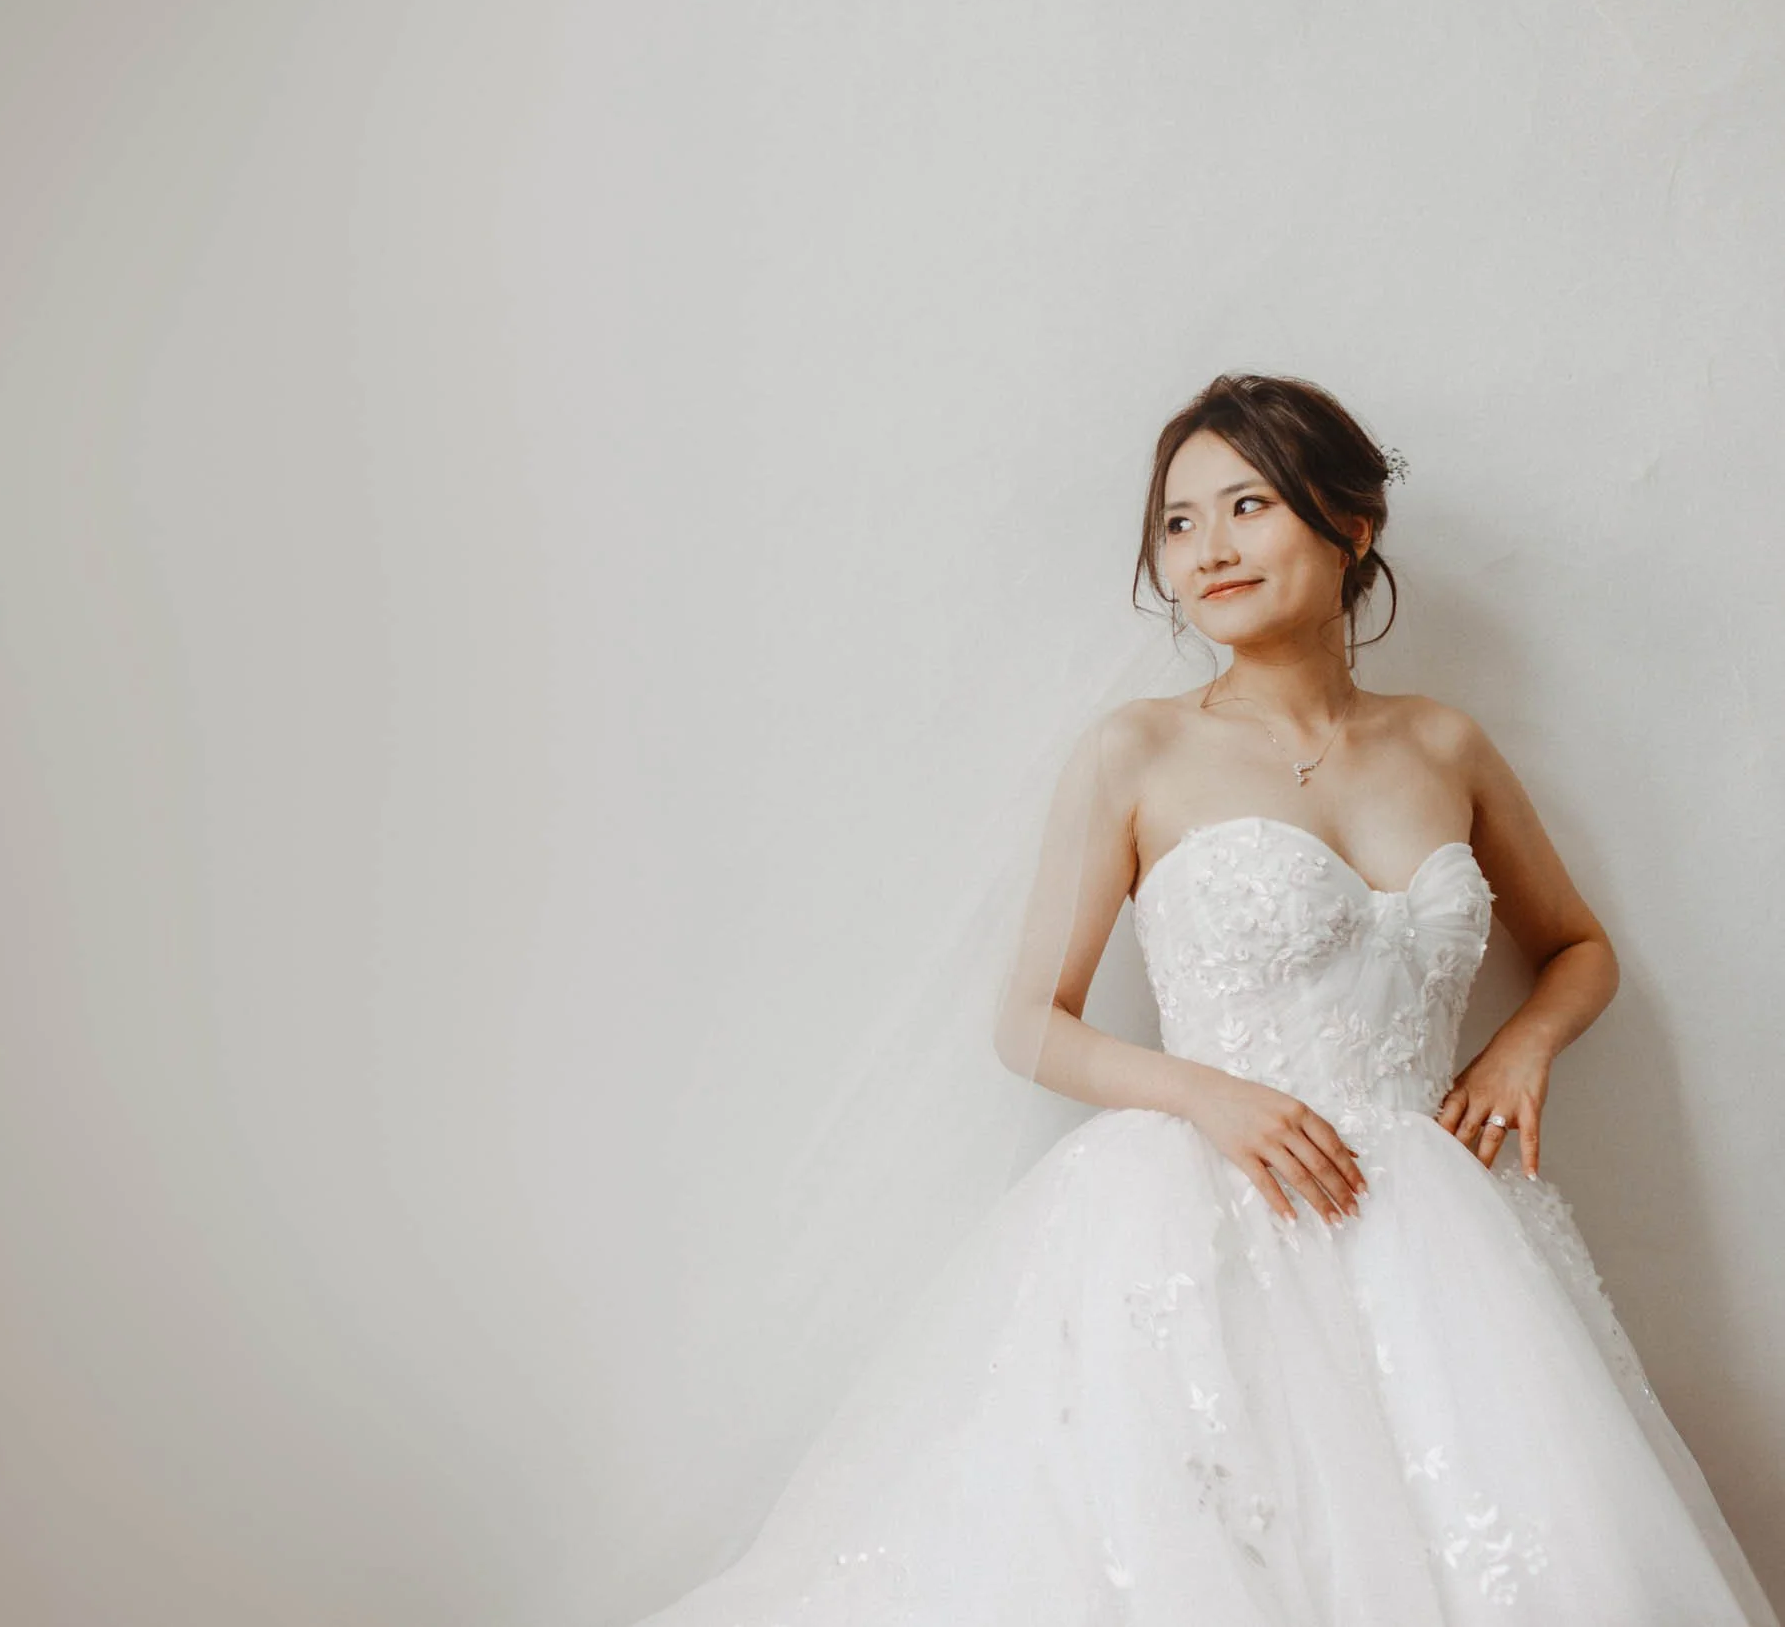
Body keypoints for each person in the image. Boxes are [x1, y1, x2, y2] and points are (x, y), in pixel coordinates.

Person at [622, 374, 1780, 1625]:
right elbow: (1028, 1019)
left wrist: (1519, 1050)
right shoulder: (1139, 750)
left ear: (1351, 527)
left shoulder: (1445, 745)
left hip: (1443, 1229)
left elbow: (1578, 946)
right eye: (1177, 523)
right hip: (1212, 1212)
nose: (1209, 549)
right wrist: (1207, 1096)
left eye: (1249, 505)